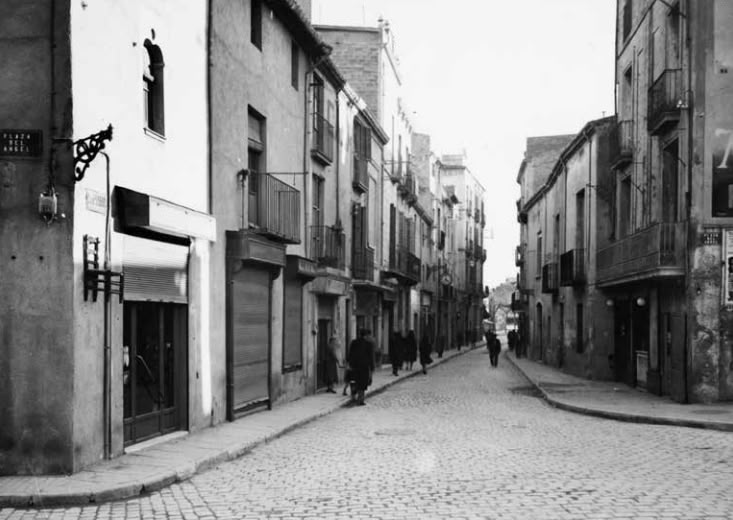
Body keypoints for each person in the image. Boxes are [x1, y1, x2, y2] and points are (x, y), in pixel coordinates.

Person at [347, 328, 375, 405]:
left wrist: (349, 363)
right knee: (362, 383)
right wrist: (372, 367)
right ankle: (361, 399)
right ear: (365, 335)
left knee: (355, 381)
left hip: (355, 366)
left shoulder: (354, 342)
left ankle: (354, 396)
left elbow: (350, 354)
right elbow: (371, 357)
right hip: (364, 367)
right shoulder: (369, 344)